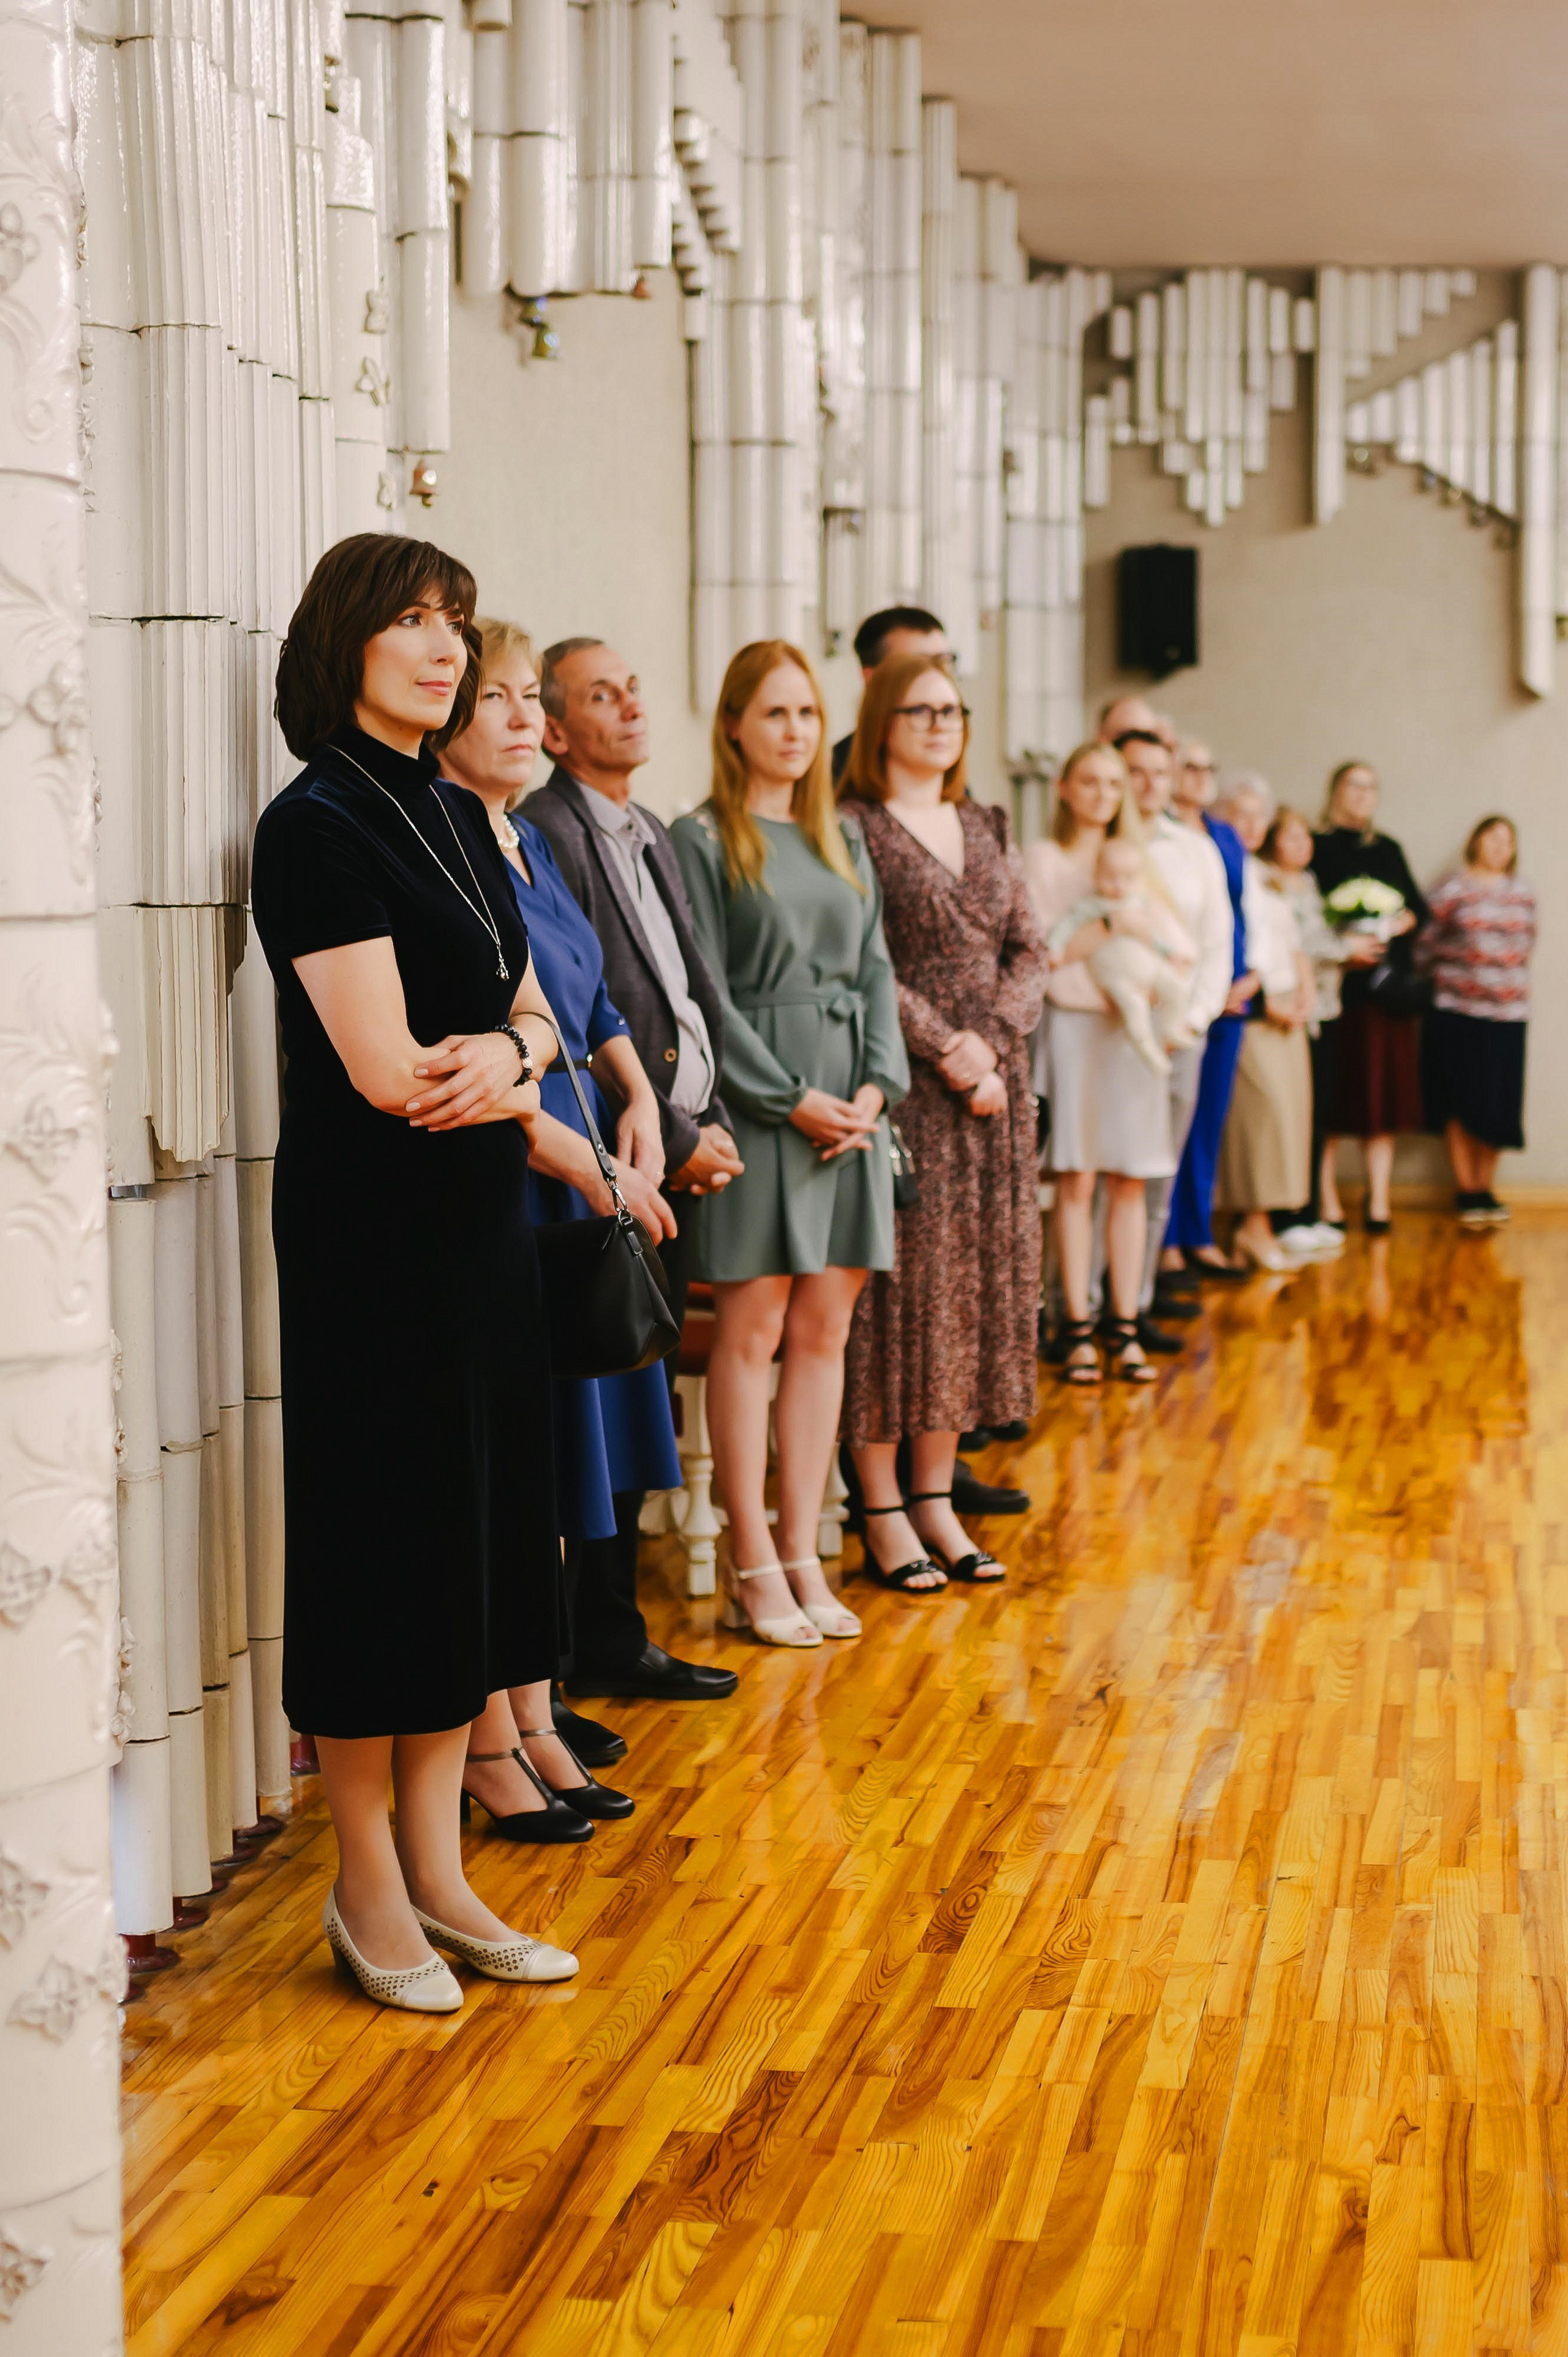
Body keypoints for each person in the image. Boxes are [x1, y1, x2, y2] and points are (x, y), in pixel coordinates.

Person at [249, 532, 577, 2009]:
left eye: (454, 621)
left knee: (475, 1542)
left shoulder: (450, 813)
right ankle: (365, 1881)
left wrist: (509, 1057)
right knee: (384, 1549)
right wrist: (499, 1063)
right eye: (412, 622)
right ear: (347, 641)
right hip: (372, 1242)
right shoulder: (316, 820)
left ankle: (444, 1868)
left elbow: (533, 1018)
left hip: (476, 1228)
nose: (445, 649)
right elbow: (384, 1070)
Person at [442, 618, 687, 1829]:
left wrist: (636, 1091)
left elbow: (586, 1000)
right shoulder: (462, 847)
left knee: (574, 1447)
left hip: (589, 1146)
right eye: (504, 698)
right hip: (535, 1166)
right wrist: (588, 1163)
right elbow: (482, 1046)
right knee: (531, 1459)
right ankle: (513, 1723)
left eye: (533, 698)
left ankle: (535, 1712)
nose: (527, 719)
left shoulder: (521, 848)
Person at [673, 640, 910, 1636]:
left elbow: (875, 976)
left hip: (847, 1115)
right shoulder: (701, 836)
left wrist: (871, 1088)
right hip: (765, 1108)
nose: (795, 732)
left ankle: (805, 1548)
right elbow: (702, 991)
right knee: (754, 1329)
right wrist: (788, 1096)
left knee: (825, 1332)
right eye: (775, 713)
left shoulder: (844, 838)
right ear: (734, 724)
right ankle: (750, 1556)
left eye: (807, 715)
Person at [524, 639, 742, 1705]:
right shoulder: (548, 830)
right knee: (597, 1391)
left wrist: (706, 1116)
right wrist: (659, 1131)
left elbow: (689, 990)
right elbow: (587, 1001)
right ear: (556, 730)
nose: (629, 703)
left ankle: (612, 1632)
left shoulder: (648, 829)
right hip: (599, 1150)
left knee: (633, 1381)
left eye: (633, 684)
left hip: (661, 1134)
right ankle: (584, 1643)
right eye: (597, 693)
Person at [840, 655, 1050, 1590]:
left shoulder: (986, 820)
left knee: (972, 1295)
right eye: (921, 709)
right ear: (882, 720)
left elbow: (1032, 946)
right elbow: (862, 961)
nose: (940, 723)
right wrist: (947, 1048)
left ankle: (936, 1499)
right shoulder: (854, 826)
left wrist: (994, 1044)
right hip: (909, 1085)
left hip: (995, 1092)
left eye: (954, 709)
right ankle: (879, 1506)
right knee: (905, 1299)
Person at [1025, 744, 1192, 1385]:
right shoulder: (1045, 858)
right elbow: (1043, 953)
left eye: (1113, 783)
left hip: (1131, 1032)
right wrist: (1114, 927)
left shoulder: (1137, 862)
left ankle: (1124, 1323)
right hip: (1074, 1028)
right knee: (1077, 1178)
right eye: (1090, 781)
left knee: (1130, 1178)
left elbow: (1176, 948)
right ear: (1065, 787)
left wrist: (1161, 989)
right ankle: (1076, 1326)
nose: (1102, 793)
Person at [1114, 730, 1234, 1341]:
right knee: (1105, 1172)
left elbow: (1217, 942)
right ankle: (1083, 1308)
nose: (1149, 784)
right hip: (1112, 1030)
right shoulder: (1104, 845)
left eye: (1161, 773)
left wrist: (1193, 1019)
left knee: (1159, 1171)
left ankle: (1136, 1304)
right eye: (1135, 771)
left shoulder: (1194, 850)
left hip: (1180, 1033)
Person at [1311, 761, 1428, 1234]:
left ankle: (1378, 1197)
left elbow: (1417, 908)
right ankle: (1326, 1198)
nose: (1361, 795)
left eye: (1369, 787)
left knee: (1384, 1102)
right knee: (1333, 1098)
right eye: (1352, 786)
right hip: (1337, 994)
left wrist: (1399, 924)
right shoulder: (1316, 846)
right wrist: (1345, 949)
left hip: (1383, 996)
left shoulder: (1388, 849)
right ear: (1336, 790)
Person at [1212, 782, 1316, 1272]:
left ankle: (1264, 1226)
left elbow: (1293, 942)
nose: (1251, 825)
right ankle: (1249, 1225)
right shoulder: (1222, 871)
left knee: (1290, 1120)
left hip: (1289, 1014)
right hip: (1256, 1014)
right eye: (1240, 814)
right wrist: (1269, 999)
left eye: (1259, 816)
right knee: (1263, 1119)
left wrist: (1305, 995)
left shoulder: (1271, 877)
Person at [1161, 765, 1257, 1280]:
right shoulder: (1160, 835)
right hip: (1183, 997)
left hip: (1230, 996)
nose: (1198, 776)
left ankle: (1198, 1233)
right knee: (1171, 1129)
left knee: (1206, 1126)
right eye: (1188, 765)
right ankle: (1166, 1242)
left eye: (1208, 768)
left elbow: (1241, 912)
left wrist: (1249, 976)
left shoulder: (1221, 837)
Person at [1416, 814, 1536, 1227]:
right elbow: (1424, 944)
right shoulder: (1453, 887)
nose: (1501, 846)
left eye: (1509, 840)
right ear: (1476, 842)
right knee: (1460, 1098)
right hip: (1458, 1012)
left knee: (1498, 1103)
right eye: (1493, 838)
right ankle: (1466, 1189)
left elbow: (1527, 946)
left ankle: (1486, 1187)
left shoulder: (1523, 894)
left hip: (1509, 1015)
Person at [1263, 807, 1365, 1254]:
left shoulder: (1308, 883)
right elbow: (1300, 944)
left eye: (1307, 837)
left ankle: (1307, 1210)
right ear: (1273, 841)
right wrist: (1349, 947)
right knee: (1291, 1115)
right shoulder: (1268, 883)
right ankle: (1284, 1215)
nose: (1303, 845)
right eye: (1292, 836)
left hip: (1325, 1007)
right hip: (1294, 1011)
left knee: (1318, 1112)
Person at [1047, 837, 1194, 1073]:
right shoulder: (1091, 906)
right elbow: (1064, 928)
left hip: (1148, 967)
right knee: (1135, 1010)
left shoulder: (1139, 904)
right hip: (1115, 974)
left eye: (1128, 878)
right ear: (1096, 876)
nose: (1119, 886)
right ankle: (1147, 1049)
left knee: (1177, 986)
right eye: (1110, 877)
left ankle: (1172, 1026)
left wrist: (1168, 954)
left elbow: (1152, 936)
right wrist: (1054, 947)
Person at [831, 606, 952, 780]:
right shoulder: (837, 771)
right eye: (917, 665)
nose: (935, 676)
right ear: (873, 677)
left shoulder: (943, 755)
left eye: (943, 662)